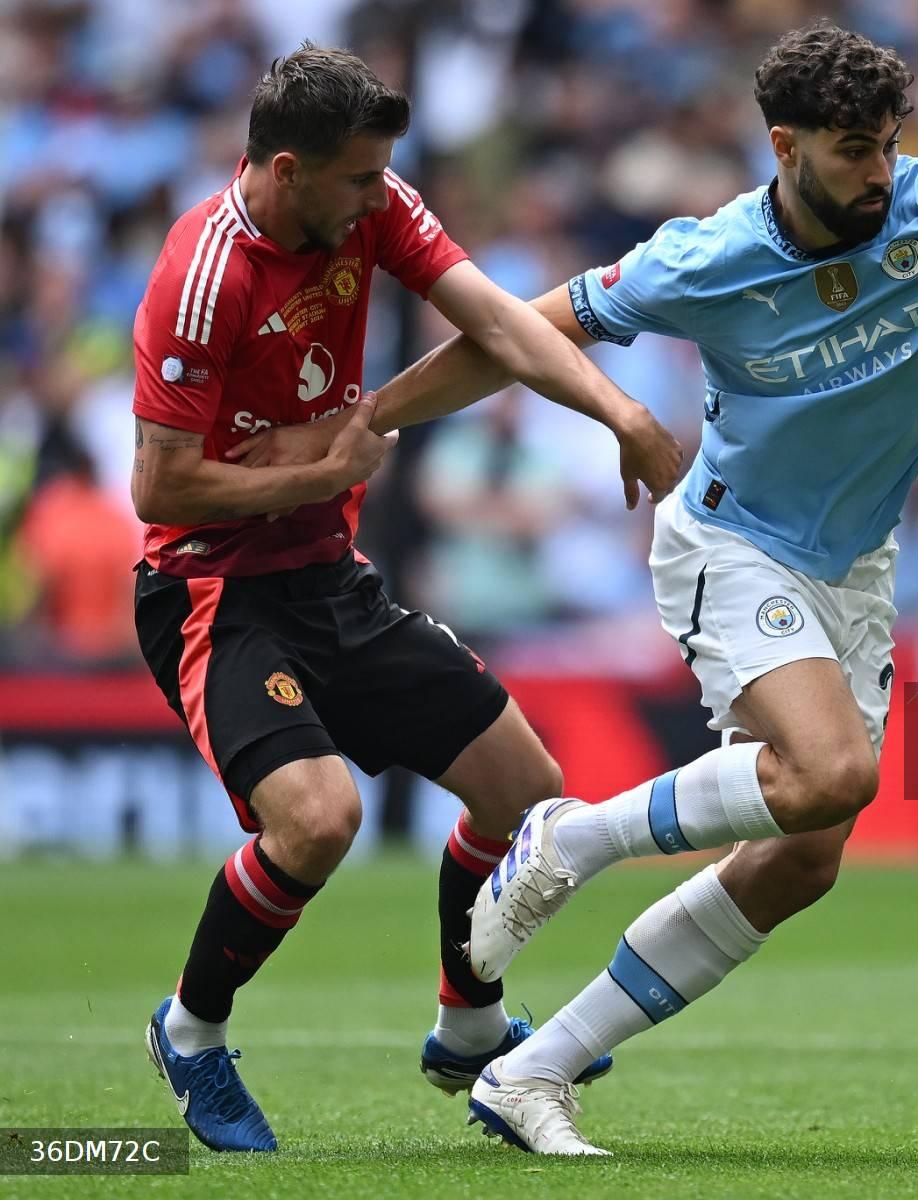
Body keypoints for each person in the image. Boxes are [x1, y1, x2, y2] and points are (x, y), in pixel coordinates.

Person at [241, 21, 918, 1155]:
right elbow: (512, 335)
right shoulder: (706, 256)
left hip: (859, 569)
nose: (879, 172)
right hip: (731, 546)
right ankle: (572, 842)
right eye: (851, 151)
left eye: (885, 145)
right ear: (784, 145)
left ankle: (536, 1070)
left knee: (806, 854)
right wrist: (373, 416)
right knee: (830, 770)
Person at [130, 43, 681, 1153]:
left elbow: (501, 321)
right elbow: (159, 483)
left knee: (526, 789)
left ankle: (468, 1024)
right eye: (361, 179)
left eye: (386, 176)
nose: (382, 197)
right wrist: (322, 474)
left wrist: (616, 412)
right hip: (213, 591)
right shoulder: (204, 277)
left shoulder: (369, 210)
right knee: (321, 819)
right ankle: (190, 1033)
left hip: (328, 578)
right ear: (286, 172)